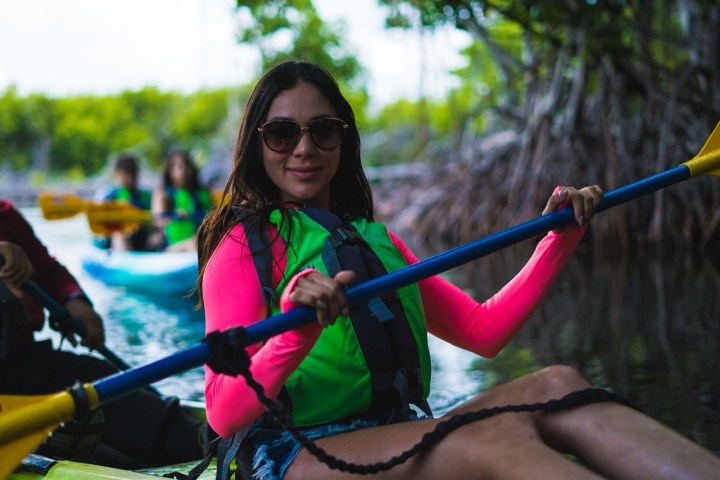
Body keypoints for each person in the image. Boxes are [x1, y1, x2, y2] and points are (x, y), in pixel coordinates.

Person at [196, 61, 720, 479]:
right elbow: (223, 412)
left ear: (344, 138)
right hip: (292, 453)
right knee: (486, 438)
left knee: (559, 383)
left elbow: (481, 330)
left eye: (323, 130)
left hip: (391, 430)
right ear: (258, 145)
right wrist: (298, 329)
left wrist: (560, 237)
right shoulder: (243, 247)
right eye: (282, 134)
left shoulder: (370, 240)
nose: (304, 148)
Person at [0, 199, 212, 469]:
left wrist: (73, 299)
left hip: (25, 364)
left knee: (100, 377)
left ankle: (191, 436)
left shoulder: (4, 213)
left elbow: (48, 268)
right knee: (89, 384)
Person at [149, 149, 212, 252]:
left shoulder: (203, 192)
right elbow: (157, 221)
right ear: (169, 171)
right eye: (177, 166)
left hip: (201, 242)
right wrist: (175, 216)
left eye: (186, 164)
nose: (183, 169)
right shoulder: (163, 194)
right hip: (172, 247)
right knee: (195, 243)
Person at [95, 153, 152, 251]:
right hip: (116, 237)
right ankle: (123, 255)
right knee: (119, 233)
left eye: (129, 174)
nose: (125, 178)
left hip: (140, 235)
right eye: (121, 174)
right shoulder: (110, 195)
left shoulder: (145, 196)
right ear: (116, 174)